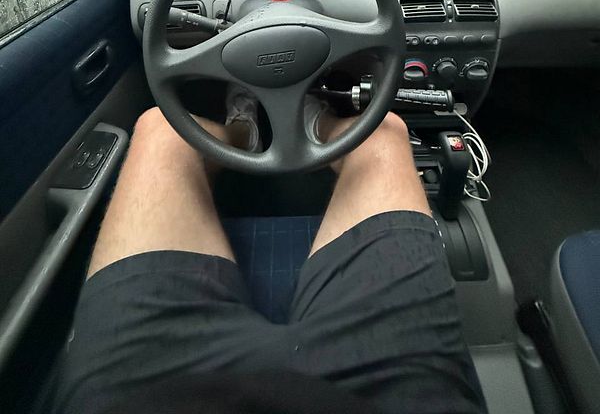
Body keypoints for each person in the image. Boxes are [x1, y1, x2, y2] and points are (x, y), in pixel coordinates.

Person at [52, 91, 487, 414]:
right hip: (396, 399)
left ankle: (242, 134)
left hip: (143, 398)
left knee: (161, 129)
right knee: (386, 130)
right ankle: (317, 127)